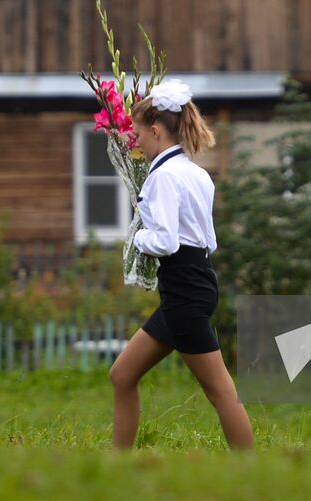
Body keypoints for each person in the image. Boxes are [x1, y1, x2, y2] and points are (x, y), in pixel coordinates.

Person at [108, 78, 254, 451]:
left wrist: (136, 237)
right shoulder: (197, 174)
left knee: (221, 392)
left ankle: (254, 471)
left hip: (184, 293)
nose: (136, 141)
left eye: (139, 134)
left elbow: (165, 242)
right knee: (122, 374)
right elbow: (209, 240)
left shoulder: (163, 177)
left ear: (155, 130)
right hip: (194, 283)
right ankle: (117, 464)